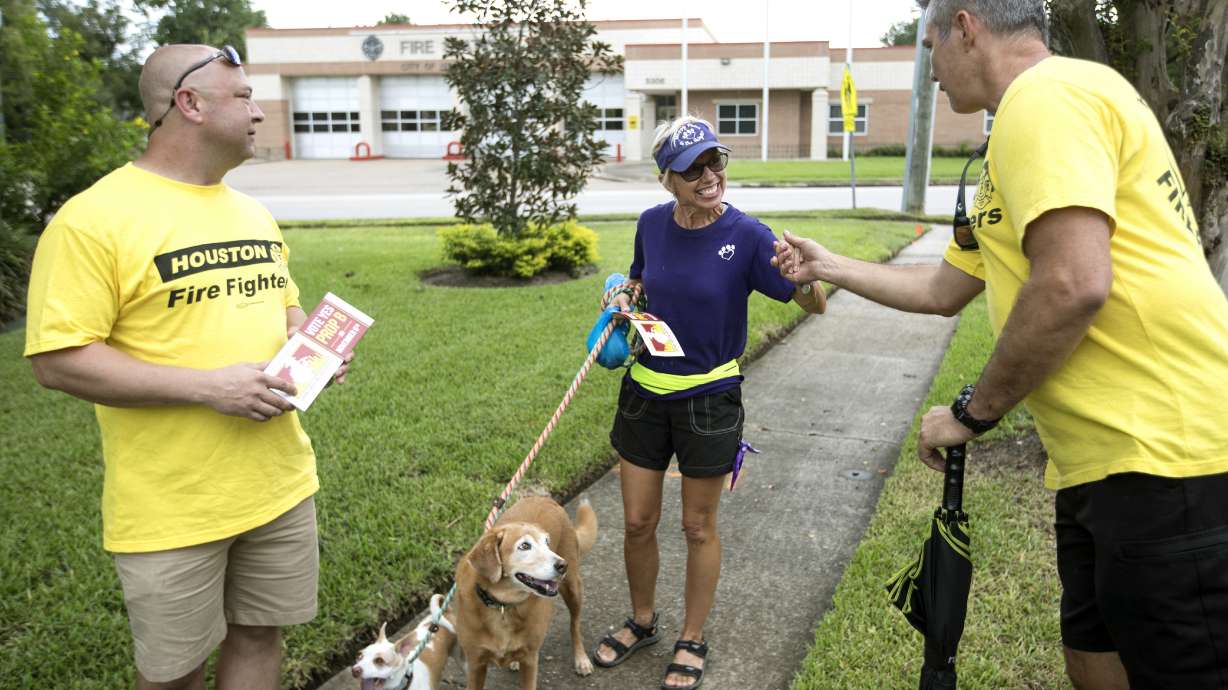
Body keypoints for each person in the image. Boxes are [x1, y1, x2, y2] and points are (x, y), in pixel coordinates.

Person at [773, 2, 1228, 688]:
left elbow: (1073, 283)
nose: (929, 77)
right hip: (1100, 463)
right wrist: (829, 266)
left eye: (929, 49)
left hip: (1169, 454)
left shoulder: (1047, 97)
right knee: (1093, 658)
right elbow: (944, 288)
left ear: (965, 26)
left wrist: (972, 413)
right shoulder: (1014, 137)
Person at [24, 44, 351, 690]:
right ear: (189, 104)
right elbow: (58, 360)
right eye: (244, 98)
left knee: (260, 635)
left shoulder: (250, 211)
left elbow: (284, 302)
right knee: (174, 674)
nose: (259, 112)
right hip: (171, 507)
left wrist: (306, 342)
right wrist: (210, 388)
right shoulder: (93, 220)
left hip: (278, 484)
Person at [591, 116, 826, 690]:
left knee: (698, 527)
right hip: (643, 395)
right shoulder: (650, 224)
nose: (708, 176)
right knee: (638, 522)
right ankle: (642, 621)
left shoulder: (746, 235)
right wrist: (626, 293)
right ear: (667, 179)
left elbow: (813, 305)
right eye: (692, 168)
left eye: (714, 161)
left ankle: (691, 637)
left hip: (709, 402)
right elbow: (643, 280)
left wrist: (804, 277)